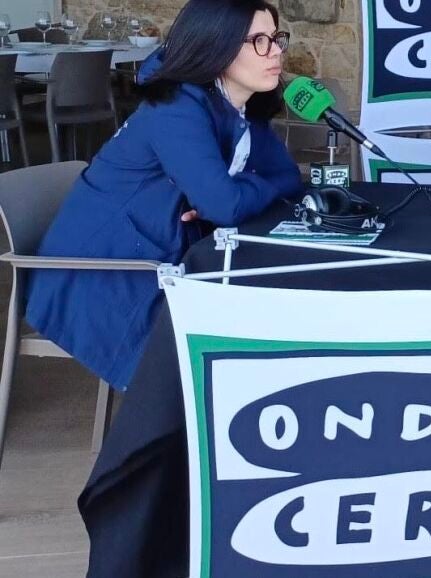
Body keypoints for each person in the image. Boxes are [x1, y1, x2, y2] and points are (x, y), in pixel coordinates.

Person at [25, 0, 303, 390]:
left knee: (268, 304)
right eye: (258, 40)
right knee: (243, 330)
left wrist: (231, 192)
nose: (275, 51)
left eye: (275, 38)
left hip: (160, 251)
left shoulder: (239, 105)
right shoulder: (177, 107)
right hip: (105, 270)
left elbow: (288, 179)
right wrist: (232, 193)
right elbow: (226, 205)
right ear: (216, 46)